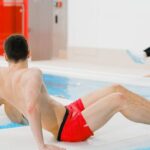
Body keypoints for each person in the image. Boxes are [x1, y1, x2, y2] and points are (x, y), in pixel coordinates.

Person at [1, 34, 150, 150]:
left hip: (68, 111)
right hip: (68, 128)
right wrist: (41, 146)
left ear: (5, 55)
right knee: (119, 99)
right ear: (28, 53)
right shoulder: (32, 74)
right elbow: (31, 107)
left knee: (116, 88)